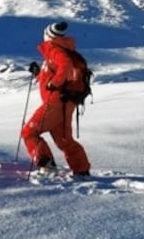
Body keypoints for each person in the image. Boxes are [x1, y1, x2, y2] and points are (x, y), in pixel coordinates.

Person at [21, 21, 92, 177]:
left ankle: (45, 164)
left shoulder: (54, 49)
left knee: (29, 132)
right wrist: (39, 73)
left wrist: (55, 82)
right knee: (64, 140)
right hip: (66, 103)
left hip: (55, 103)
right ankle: (81, 170)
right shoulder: (65, 49)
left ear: (47, 35)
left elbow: (64, 65)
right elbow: (55, 72)